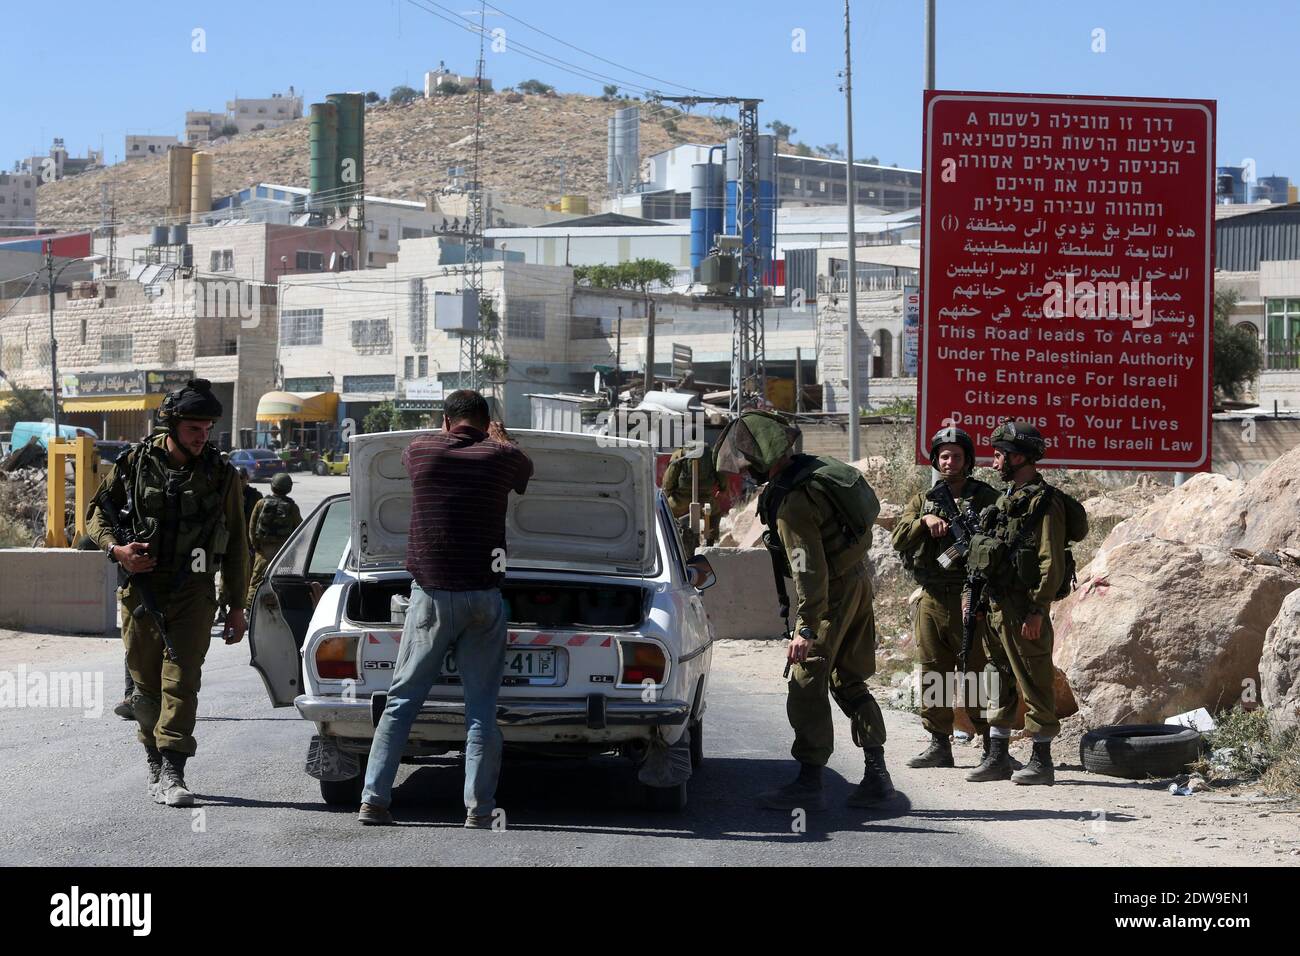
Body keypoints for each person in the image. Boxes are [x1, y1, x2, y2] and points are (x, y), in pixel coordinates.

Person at [359, 389, 533, 828]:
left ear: (444, 420)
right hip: (484, 597)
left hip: (431, 596)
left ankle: (375, 800)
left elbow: (418, 452)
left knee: (402, 701)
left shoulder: (421, 450)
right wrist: (500, 439)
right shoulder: (502, 457)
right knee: (481, 708)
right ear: (487, 421)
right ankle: (478, 808)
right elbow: (523, 466)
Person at [714, 410, 893, 810]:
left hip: (830, 594)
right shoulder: (815, 470)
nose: (743, 466)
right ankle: (877, 777)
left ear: (762, 454)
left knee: (805, 679)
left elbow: (808, 567)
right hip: (857, 581)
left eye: (745, 457)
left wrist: (807, 629)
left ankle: (810, 782)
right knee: (849, 680)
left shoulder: (793, 500)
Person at [86, 378, 249, 807]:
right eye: (195, 429)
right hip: (141, 591)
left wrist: (237, 606)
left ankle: (174, 770)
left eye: (208, 429)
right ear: (173, 427)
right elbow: (94, 516)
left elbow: (236, 545)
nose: (202, 437)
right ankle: (154, 764)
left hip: (195, 592)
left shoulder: (221, 474)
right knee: (144, 689)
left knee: (182, 681)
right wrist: (118, 551)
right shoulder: (133, 465)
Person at [964, 421, 1069, 786]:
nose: (993, 462)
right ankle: (997, 756)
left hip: (1024, 607)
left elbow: (1050, 563)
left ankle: (1042, 761)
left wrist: (1038, 609)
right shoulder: (1007, 500)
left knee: (1034, 678)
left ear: (1019, 456)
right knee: (998, 676)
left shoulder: (1045, 502)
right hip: (995, 605)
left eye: (998, 455)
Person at [892, 427, 1000, 768]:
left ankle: (991, 746)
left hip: (971, 596)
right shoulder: (923, 500)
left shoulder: (986, 497)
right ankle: (940, 743)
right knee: (933, 673)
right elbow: (899, 537)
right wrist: (925, 521)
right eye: (943, 456)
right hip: (931, 597)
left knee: (975, 671)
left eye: (955, 455)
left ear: (967, 460)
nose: (949, 461)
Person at [244, 472, 302, 608]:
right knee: (282, 582)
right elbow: (299, 530)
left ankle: (249, 610)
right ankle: (282, 608)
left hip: (264, 552)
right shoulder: (292, 507)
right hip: (284, 553)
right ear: (289, 488)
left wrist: (257, 547)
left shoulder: (261, 503)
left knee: (256, 582)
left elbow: (252, 527)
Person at [660, 440, 726, 554]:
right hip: (705, 498)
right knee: (715, 513)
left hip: (681, 499)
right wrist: (723, 489)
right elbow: (721, 474)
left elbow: (669, 478)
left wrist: (668, 492)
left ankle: (668, 540)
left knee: (665, 513)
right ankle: (710, 543)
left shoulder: (679, 454)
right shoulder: (711, 454)